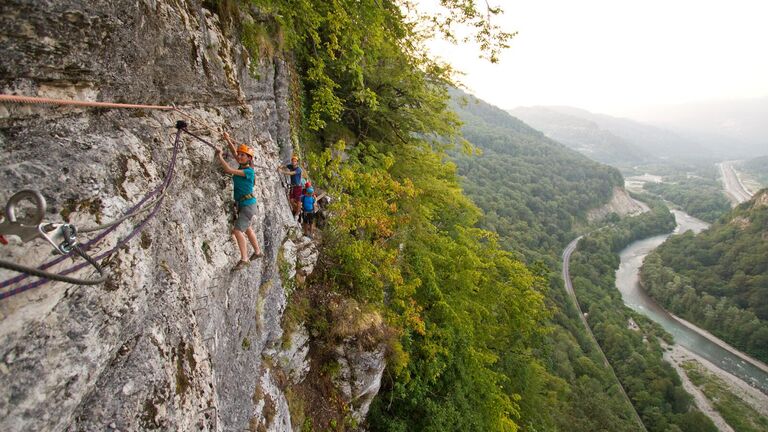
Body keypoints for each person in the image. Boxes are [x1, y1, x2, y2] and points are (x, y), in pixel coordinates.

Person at [216, 143, 263, 271]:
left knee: (237, 231)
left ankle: (244, 259)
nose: (240, 156)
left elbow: (229, 170)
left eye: (243, 155)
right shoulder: (243, 165)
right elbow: (234, 153)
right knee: (247, 228)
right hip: (246, 204)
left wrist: (219, 156)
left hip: (247, 205)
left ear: (249, 158)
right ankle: (258, 252)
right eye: (240, 154)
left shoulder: (248, 171)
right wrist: (227, 139)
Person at [277, 155, 302, 220]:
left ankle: (297, 214)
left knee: (298, 201)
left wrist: (282, 172)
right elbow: (284, 166)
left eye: (295, 161)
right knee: (291, 200)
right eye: (293, 161)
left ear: (297, 162)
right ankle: (295, 210)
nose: (293, 162)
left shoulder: (298, 169)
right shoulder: (290, 166)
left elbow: (292, 173)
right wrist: (280, 167)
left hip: (298, 187)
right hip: (292, 186)